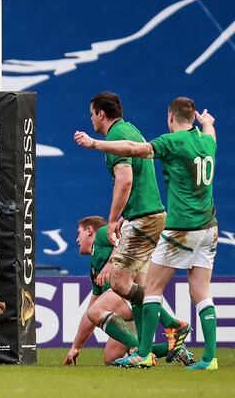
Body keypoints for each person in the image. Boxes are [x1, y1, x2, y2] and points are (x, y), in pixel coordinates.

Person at [75, 97, 218, 370]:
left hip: (172, 225)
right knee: (198, 292)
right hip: (209, 226)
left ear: (171, 118)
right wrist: (208, 123)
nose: (91, 119)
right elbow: (211, 133)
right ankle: (207, 358)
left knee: (137, 285)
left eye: (92, 114)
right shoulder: (206, 141)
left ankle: (165, 333)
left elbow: (130, 161)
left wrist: (94, 144)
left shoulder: (171, 141)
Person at [63, 216, 194, 366]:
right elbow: (90, 313)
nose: (76, 240)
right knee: (110, 358)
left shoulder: (102, 234)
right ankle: (174, 349)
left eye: (78, 233)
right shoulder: (95, 268)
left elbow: (126, 237)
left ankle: (170, 327)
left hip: (133, 292)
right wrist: (75, 347)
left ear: (89, 231)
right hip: (133, 301)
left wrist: (111, 262)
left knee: (97, 311)